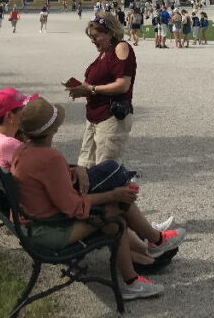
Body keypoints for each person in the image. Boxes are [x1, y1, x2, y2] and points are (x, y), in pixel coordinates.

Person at [11, 97, 185, 300]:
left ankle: (143, 263)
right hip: (47, 231)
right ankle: (151, 250)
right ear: (52, 130)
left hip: (31, 224)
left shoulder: (22, 151)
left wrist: (75, 170)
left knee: (113, 210)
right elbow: (73, 207)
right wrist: (113, 195)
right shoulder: (50, 158)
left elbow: (47, 180)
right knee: (116, 210)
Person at [66, 11, 137, 166]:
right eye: (91, 37)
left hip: (111, 116)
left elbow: (123, 85)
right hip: (94, 116)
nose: (92, 41)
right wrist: (83, 89)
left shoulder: (121, 47)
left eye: (96, 36)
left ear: (110, 33)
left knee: (105, 168)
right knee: (85, 165)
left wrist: (91, 88)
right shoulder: (104, 53)